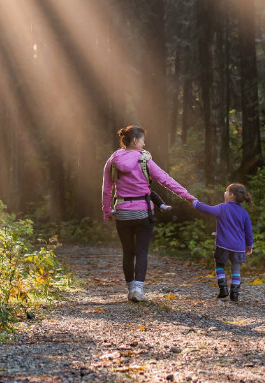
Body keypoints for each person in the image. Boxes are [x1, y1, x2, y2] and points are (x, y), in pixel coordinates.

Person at [102, 124, 196, 302]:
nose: (144, 145)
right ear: (136, 140)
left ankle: (130, 290)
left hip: (122, 213)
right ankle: (138, 289)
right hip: (143, 213)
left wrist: (107, 212)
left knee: (128, 252)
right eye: (143, 141)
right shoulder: (144, 160)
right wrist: (187, 197)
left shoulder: (112, 160)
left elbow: (107, 190)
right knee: (142, 251)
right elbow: (166, 180)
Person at [192, 183, 253, 302]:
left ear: (231, 195)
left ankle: (223, 288)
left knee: (219, 265)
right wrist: (249, 246)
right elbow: (248, 232)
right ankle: (234, 293)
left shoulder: (222, 208)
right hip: (238, 247)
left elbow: (207, 209)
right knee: (236, 268)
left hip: (223, 245)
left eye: (226, 191)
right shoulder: (244, 213)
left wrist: (194, 203)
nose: (224, 193)